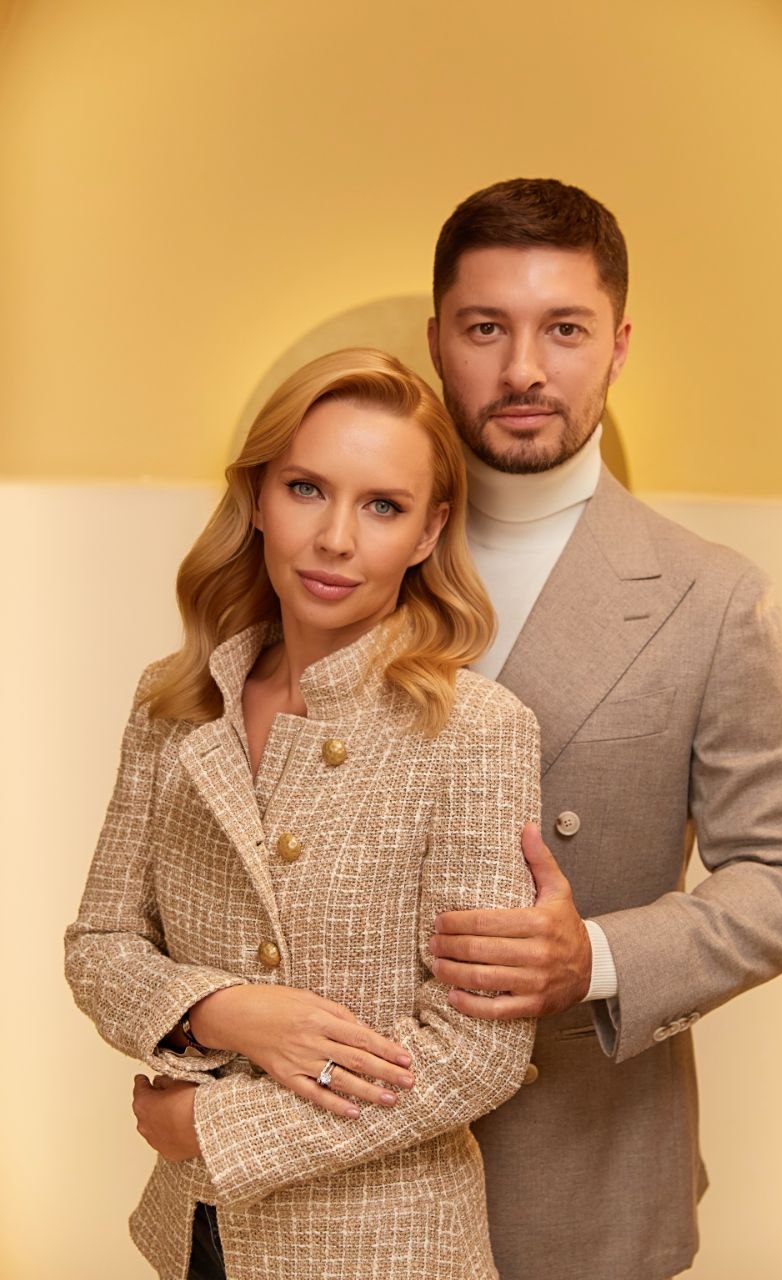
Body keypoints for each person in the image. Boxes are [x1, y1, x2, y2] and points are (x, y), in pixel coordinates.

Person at [422, 178, 782, 1280]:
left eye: (563, 329)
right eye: (485, 327)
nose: (523, 368)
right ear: (436, 341)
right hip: (337, 1171)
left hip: (581, 1178)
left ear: (616, 345)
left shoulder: (713, 596)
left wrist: (599, 957)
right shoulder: (347, 557)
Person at [65, 348, 541, 1280]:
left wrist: (216, 1124)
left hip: (390, 1251)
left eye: (382, 506)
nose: (334, 539)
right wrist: (223, 1011)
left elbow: (477, 1050)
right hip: (195, 1239)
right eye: (305, 488)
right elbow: (100, 945)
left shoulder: (476, 730)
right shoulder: (175, 704)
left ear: (428, 531)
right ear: (256, 498)